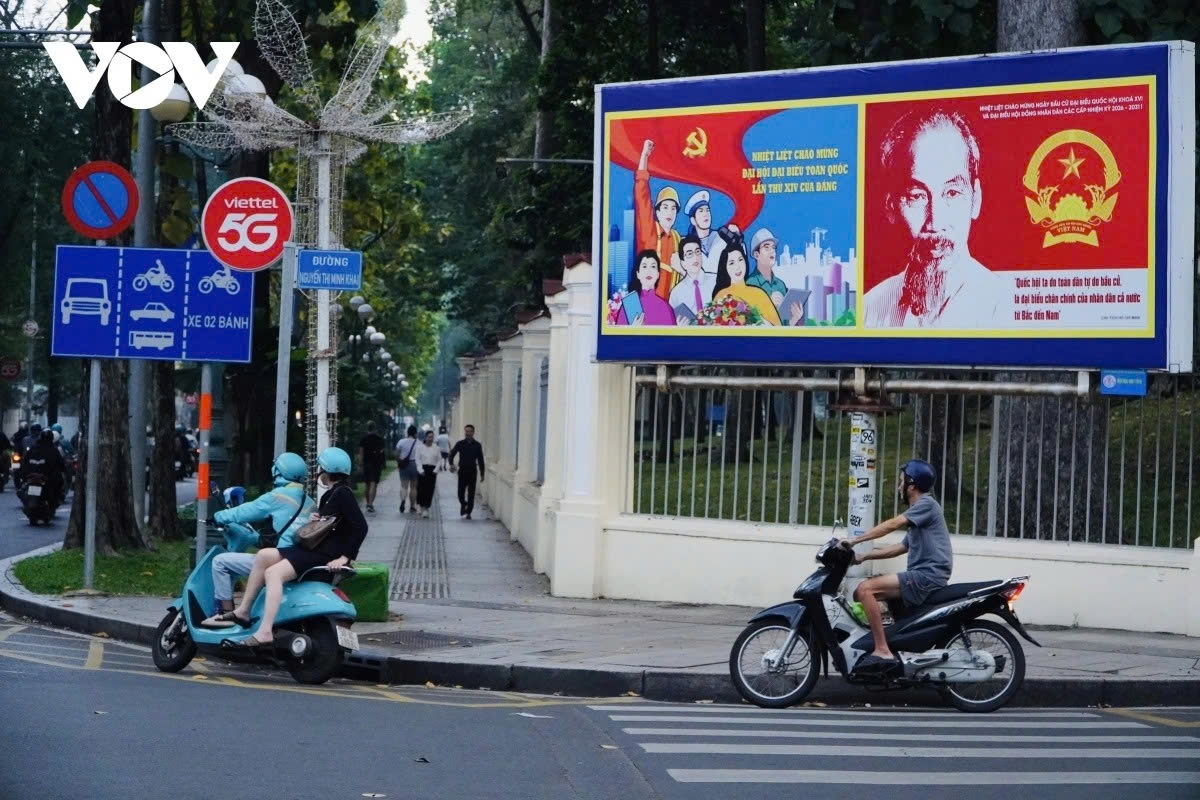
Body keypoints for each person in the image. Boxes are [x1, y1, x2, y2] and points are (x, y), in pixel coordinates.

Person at [864, 108, 1004, 329]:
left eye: (952, 193)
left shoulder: (1004, 308)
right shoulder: (869, 310)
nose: (935, 222)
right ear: (891, 206)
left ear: (975, 200)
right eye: (917, 196)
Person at [225, 447, 368, 647]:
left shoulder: (342, 494)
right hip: (317, 551)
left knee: (273, 574)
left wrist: (345, 558)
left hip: (323, 555)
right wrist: (316, 520)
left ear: (325, 470)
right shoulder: (332, 494)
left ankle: (265, 631)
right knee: (264, 556)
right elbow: (334, 525)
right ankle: (244, 611)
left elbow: (361, 526)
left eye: (320, 468)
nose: (318, 472)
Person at [841, 459, 952, 671]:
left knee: (865, 589)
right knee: (876, 595)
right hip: (924, 574)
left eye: (902, 482)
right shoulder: (920, 513)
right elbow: (901, 547)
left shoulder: (926, 505)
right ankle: (901, 648)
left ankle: (882, 650)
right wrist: (865, 557)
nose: (899, 486)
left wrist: (855, 540)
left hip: (927, 576)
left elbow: (893, 524)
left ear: (912, 485)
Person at [200, 453, 314, 628]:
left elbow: (245, 511)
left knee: (220, 562)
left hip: (279, 559)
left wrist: (218, 516)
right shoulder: (309, 502)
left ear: (278, 471)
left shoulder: (278, 496)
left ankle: (226, 615)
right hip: (299, 560)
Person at [634, 139, 681, 299]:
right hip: (650, 302)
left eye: (673, 208)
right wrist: (644, 156)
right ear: (658, 212)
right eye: (665, 207)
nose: (670, 212)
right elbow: (642, 196)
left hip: (673, 307)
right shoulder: (650, 231)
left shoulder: (677, 238)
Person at [713, 244, 787, 326]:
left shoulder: (759, 293)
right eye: (731, 263)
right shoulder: (721, 296)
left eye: (740, 260)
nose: (738, 267)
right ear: (725, 267)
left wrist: (759, 320)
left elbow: (777, 328)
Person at [682, 190, 741, 275]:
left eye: (707, 210)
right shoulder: (686, 244)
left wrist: (737, 236)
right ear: (693, 220)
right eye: (701, 211)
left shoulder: (722, 238)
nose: (706, 214)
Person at [615, 250, 678, 327]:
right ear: (638, 274)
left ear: (658, 274)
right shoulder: (630, 304)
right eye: (644, 266)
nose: (649, 271)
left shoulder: (666, 307)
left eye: (653, 266)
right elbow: (618, 337)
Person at [668, 233, 715, 319]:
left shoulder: (716, 281)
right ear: (683, 263)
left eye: (697, 252)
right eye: (690, 254)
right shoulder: (676, 293)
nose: (695, 257)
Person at [449, 424, 486, 520]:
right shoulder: (460, 444)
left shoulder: (477, 445)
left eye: (470, 431)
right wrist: (451, 464)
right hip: (462, 471)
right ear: (464, 432)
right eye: (466, 431)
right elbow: (451, 454)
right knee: (460, 492)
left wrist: (482, 473)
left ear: (473, 433)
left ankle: (469, 512)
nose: (468, 433)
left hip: (473, 471)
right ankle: (464, 504)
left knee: (471, 493)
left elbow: (481, 460)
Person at [746, 228, 789, 308]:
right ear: (756, 255)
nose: (772, 251)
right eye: (766, 247)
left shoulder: (781, 285)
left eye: (773, 247)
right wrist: (769, 304)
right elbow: (750, 317)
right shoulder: (750, 283)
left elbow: (785, 319)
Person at [23, 430, 66, 507]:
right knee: (58, 484)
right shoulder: (53, 450)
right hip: (45, 477)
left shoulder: (33, 448)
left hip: (36, 477)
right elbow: (60, 464)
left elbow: (25, 462)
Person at [358, 421, 386, 513]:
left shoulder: (364, 439)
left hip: (366, 463)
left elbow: (361, 453)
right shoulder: (379, 439)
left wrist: (360, 464)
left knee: (367, 484)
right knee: (373, 484)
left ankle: (368, 503)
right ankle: (370, 504)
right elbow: (382, 452)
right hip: (376, 464)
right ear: (375, 428)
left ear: (367, 428)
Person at [414, 430, 442, 517]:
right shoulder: (420, 447)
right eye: (429, 437)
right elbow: (417, 459)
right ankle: (420, 505)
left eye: (432, 437)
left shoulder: (436, 448)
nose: (430, 439)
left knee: (430, 489)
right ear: (425, 438)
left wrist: (436, 470)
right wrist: (420, 470)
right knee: (421, 489)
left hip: (432, 470)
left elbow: (439, 460)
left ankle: (426, 508)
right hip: (422, 469)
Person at [395, 425, 420, 513]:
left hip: (404, 464)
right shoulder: (418, 443)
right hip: (414, 464)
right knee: (413, 487)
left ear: (408, 432)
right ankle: (412, 506)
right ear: (415, 433)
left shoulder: (401, 442)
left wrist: (399, 461)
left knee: (404, 486)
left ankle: (403, 501)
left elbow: (397, 454)